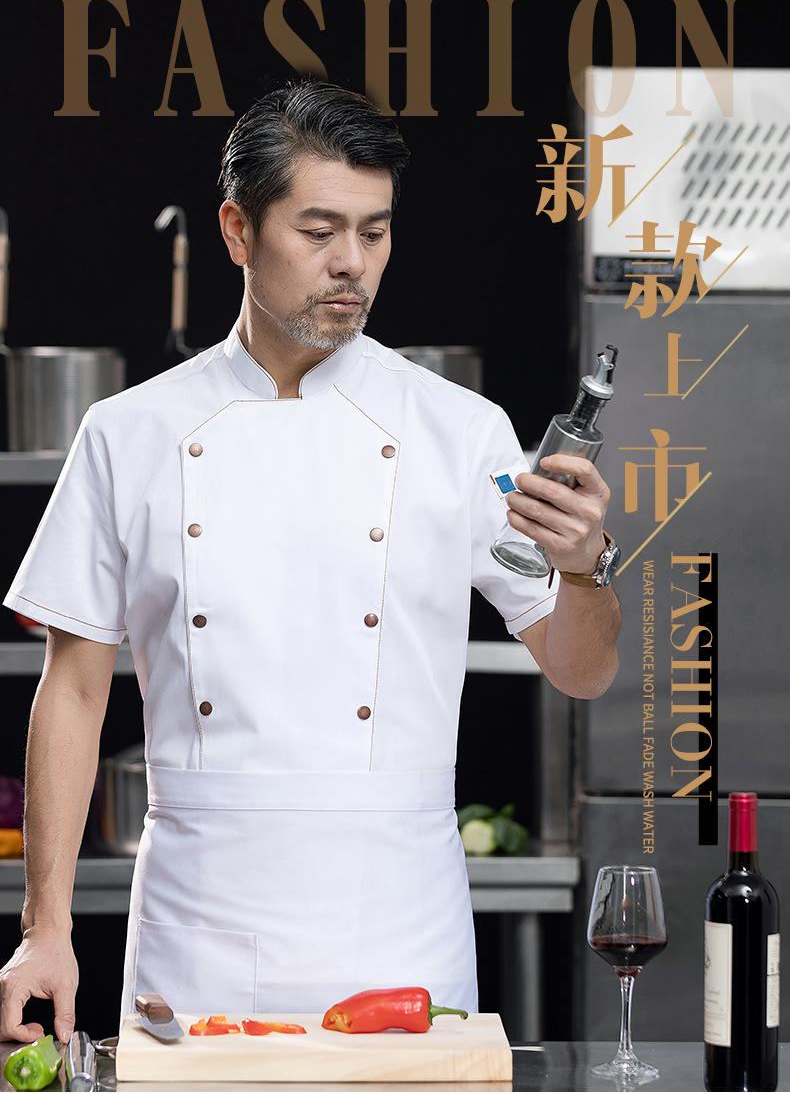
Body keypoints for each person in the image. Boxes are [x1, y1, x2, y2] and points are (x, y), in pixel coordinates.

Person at [0, 75, 621, 1045]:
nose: (352, 264)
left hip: (400, 921)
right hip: (198, 923)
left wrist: (583, 569)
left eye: (374, 232)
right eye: (319, 230)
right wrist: (45, 928)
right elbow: (73, 693)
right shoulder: (131, 431)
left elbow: (582, 671)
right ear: (238, 231)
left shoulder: (460, 430)